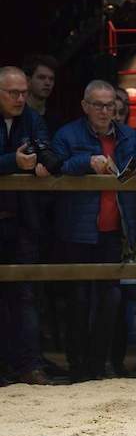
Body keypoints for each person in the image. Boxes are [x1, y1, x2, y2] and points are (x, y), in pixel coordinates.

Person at [52, 79, 136, 382]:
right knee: (79, 299)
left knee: (111, 299)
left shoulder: (127, 135)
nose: (104, 111)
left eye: (109, 105)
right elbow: (54, 164)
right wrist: (85, 162)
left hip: (117, 231)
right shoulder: (68, 134)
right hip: (77, 231)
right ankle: (78, 367)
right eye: (98, 105)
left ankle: (101, 366)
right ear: (85, 106)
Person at [0, 66, 53, 385]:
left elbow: (47, 146)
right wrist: (12, 163)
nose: (21, 98)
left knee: (25, 295)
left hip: (21, 220)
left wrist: (44, 161)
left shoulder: (31, 117)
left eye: (23, 92)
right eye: (13, 94)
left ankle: (30, 365)